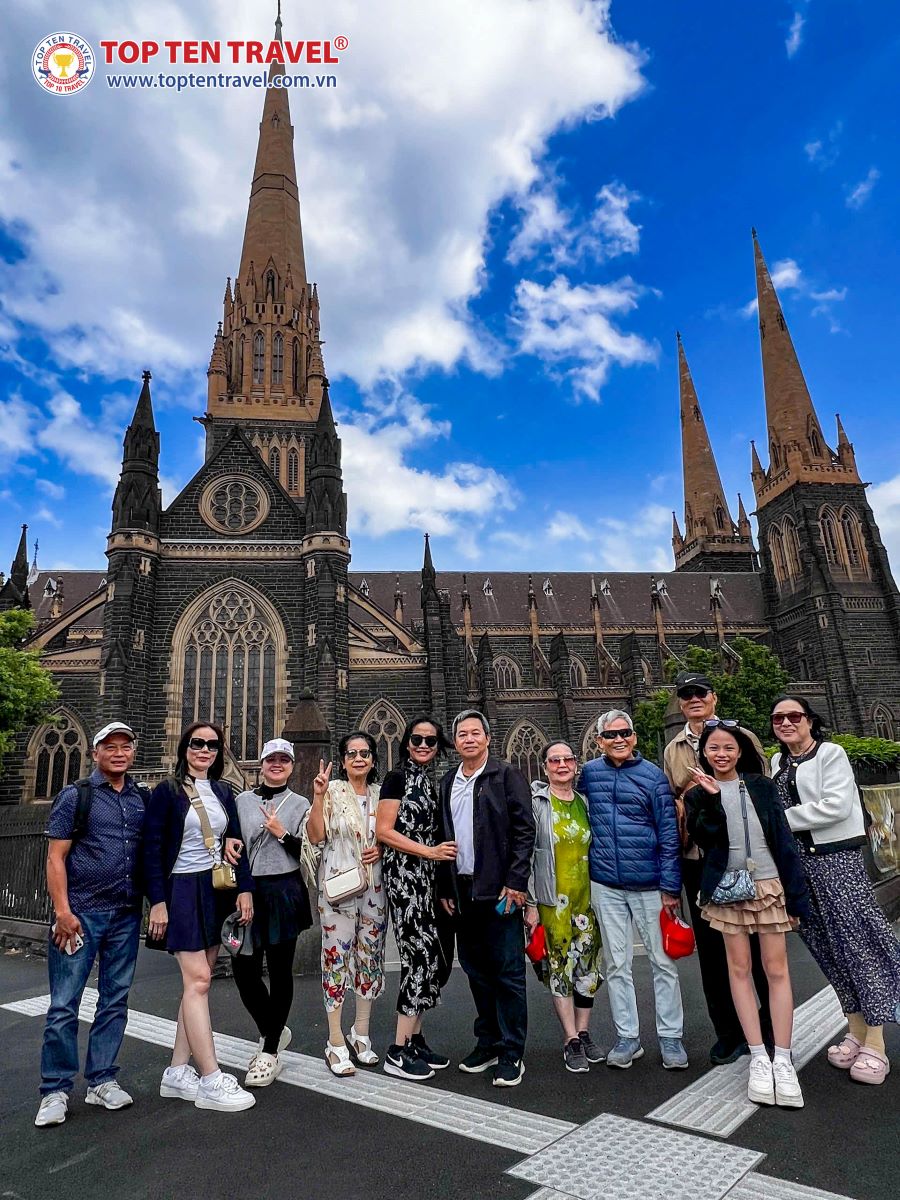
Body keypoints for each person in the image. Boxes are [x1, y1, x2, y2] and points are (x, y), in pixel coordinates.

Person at [771, 695, 900, 1086]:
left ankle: (876, 1043)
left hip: (837, 862)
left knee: (859, 944)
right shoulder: (778, 762)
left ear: (810, 720)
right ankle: (856, 1031)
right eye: (778, 718)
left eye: (794, 716)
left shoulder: (830, 754)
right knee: (827, 947)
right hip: (800, 867)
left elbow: (838, 807)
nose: (786, 723)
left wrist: (776, 818)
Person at [685, 721, 810, 1108]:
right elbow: (704, 839)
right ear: (703, 753)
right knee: (737, 971)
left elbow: (783, 841)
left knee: (776, 971)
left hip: (768, 885)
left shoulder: (761, 785)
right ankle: (757, 1056)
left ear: (740, 752)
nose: (721, 754)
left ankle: (783, 1059)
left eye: (728, 748)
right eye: (713, 748)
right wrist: (708, 799)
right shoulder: (696, 795)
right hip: (727, 888)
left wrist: (797, 895)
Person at [35, 722, 147, 1128]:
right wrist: (63, 912)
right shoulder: (75, 796)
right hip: (79, 917)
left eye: (126, 746)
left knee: (114, 1000)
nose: (119, 752)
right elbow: (55, 858)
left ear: (133, 752)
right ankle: (55, 1090)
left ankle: (101, 1079)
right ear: (95, 752)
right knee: (64, 1004)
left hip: (125, 915)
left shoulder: (141, 799)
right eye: (110, 746)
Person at [143, 721, 256, 1112]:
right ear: (184, 748)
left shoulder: (225, 791)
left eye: (212, 745)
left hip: (214, 891)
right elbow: (152, 850)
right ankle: (210, 1078)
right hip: (181, 890)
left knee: (197, 983)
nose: (204, 750)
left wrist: (244, 888)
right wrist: (157, 901)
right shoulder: (167, 792)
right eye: (197, 744)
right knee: (200, 980)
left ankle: (176, 1072)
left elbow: (235, 843)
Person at [664, 670, 774, 1064]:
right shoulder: (673, 748)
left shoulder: (744, 738)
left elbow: (764, 793)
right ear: (680, 703)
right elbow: (673, 806)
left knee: (759, 947)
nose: (693, 699)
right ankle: (727, 1033)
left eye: (700, 692)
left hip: (747, 859)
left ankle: (768, 1030)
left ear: (714, 698)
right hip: (699, 860)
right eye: (686, 694)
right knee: (713, 953)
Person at [579, 710, 688, 1071]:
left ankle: (670, 1037)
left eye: (625, 733)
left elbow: (669, 834)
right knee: (617, 964)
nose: (619, 739)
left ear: (635, 737)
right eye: (611, 735)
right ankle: (628, 1037)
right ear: (599, 742)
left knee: (662, 962)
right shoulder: (590, 775)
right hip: (606, 884)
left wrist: (670, 886)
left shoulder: (653, 777)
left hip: (649, 884)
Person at [437, 709, 535, 1088]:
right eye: (462, 734)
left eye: (475, 733)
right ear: (456, 741)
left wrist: (516, 881)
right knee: (476, 969)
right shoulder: (448, 781)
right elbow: (445, 837)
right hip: (463, 890)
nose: (469, 739)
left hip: (500, 890)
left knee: (508, 973)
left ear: (488, 739)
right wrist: (446, 886)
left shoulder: (506, 776)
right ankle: (489, 1041)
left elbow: (525, 830)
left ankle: (512, 1051)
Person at [376, 716, 457, 1081]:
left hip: (425, 879)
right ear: (407, 742)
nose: (423, 745)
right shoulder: (397, 778)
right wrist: (429, 852)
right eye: (417, 739)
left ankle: (415, 1037)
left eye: (431, 741)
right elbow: (384, 831)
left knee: (429, 958)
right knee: (417, 956)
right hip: (404, 878)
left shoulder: (426, 780)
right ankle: (397, 1049)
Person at [232, 738, 313, 1088]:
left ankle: (269, 1053)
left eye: (284, 759)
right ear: (261, 764)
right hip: (249, 892)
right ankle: (273, 1030)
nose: (277, 764)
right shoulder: (241, 802)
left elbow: (309, 852)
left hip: (284, 890)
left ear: (292, 766)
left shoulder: (301, 803)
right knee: (244, 971)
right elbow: (232, 848)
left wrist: (282, 834)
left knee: (280, 972)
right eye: (271, 759)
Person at [306, 730, 387, 1077]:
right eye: (352, 753)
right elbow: (315, 836)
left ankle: (362, 1034)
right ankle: (336, 1040)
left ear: (372, 759)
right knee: (336, 959)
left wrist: (382, 848)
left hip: (374, 889)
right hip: (338, 888)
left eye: (365, 753)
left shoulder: (382, 796)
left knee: (370, 959)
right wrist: (317, 796)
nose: (359, 758)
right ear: (342, 761)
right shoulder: (332, 791)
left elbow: (388, 836)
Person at [524, 741, 603, 1074]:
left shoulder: (585, 802)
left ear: (576, 765)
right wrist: (529, 903)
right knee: (560, 971)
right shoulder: (537, 804)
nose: (561, 765)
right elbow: (527, 855)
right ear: (545, 768)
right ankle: (570, 1038)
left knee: (588, 972)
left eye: (567, 759)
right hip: (551, 902)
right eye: (554, 760)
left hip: (587, 900)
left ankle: (584, 1031)